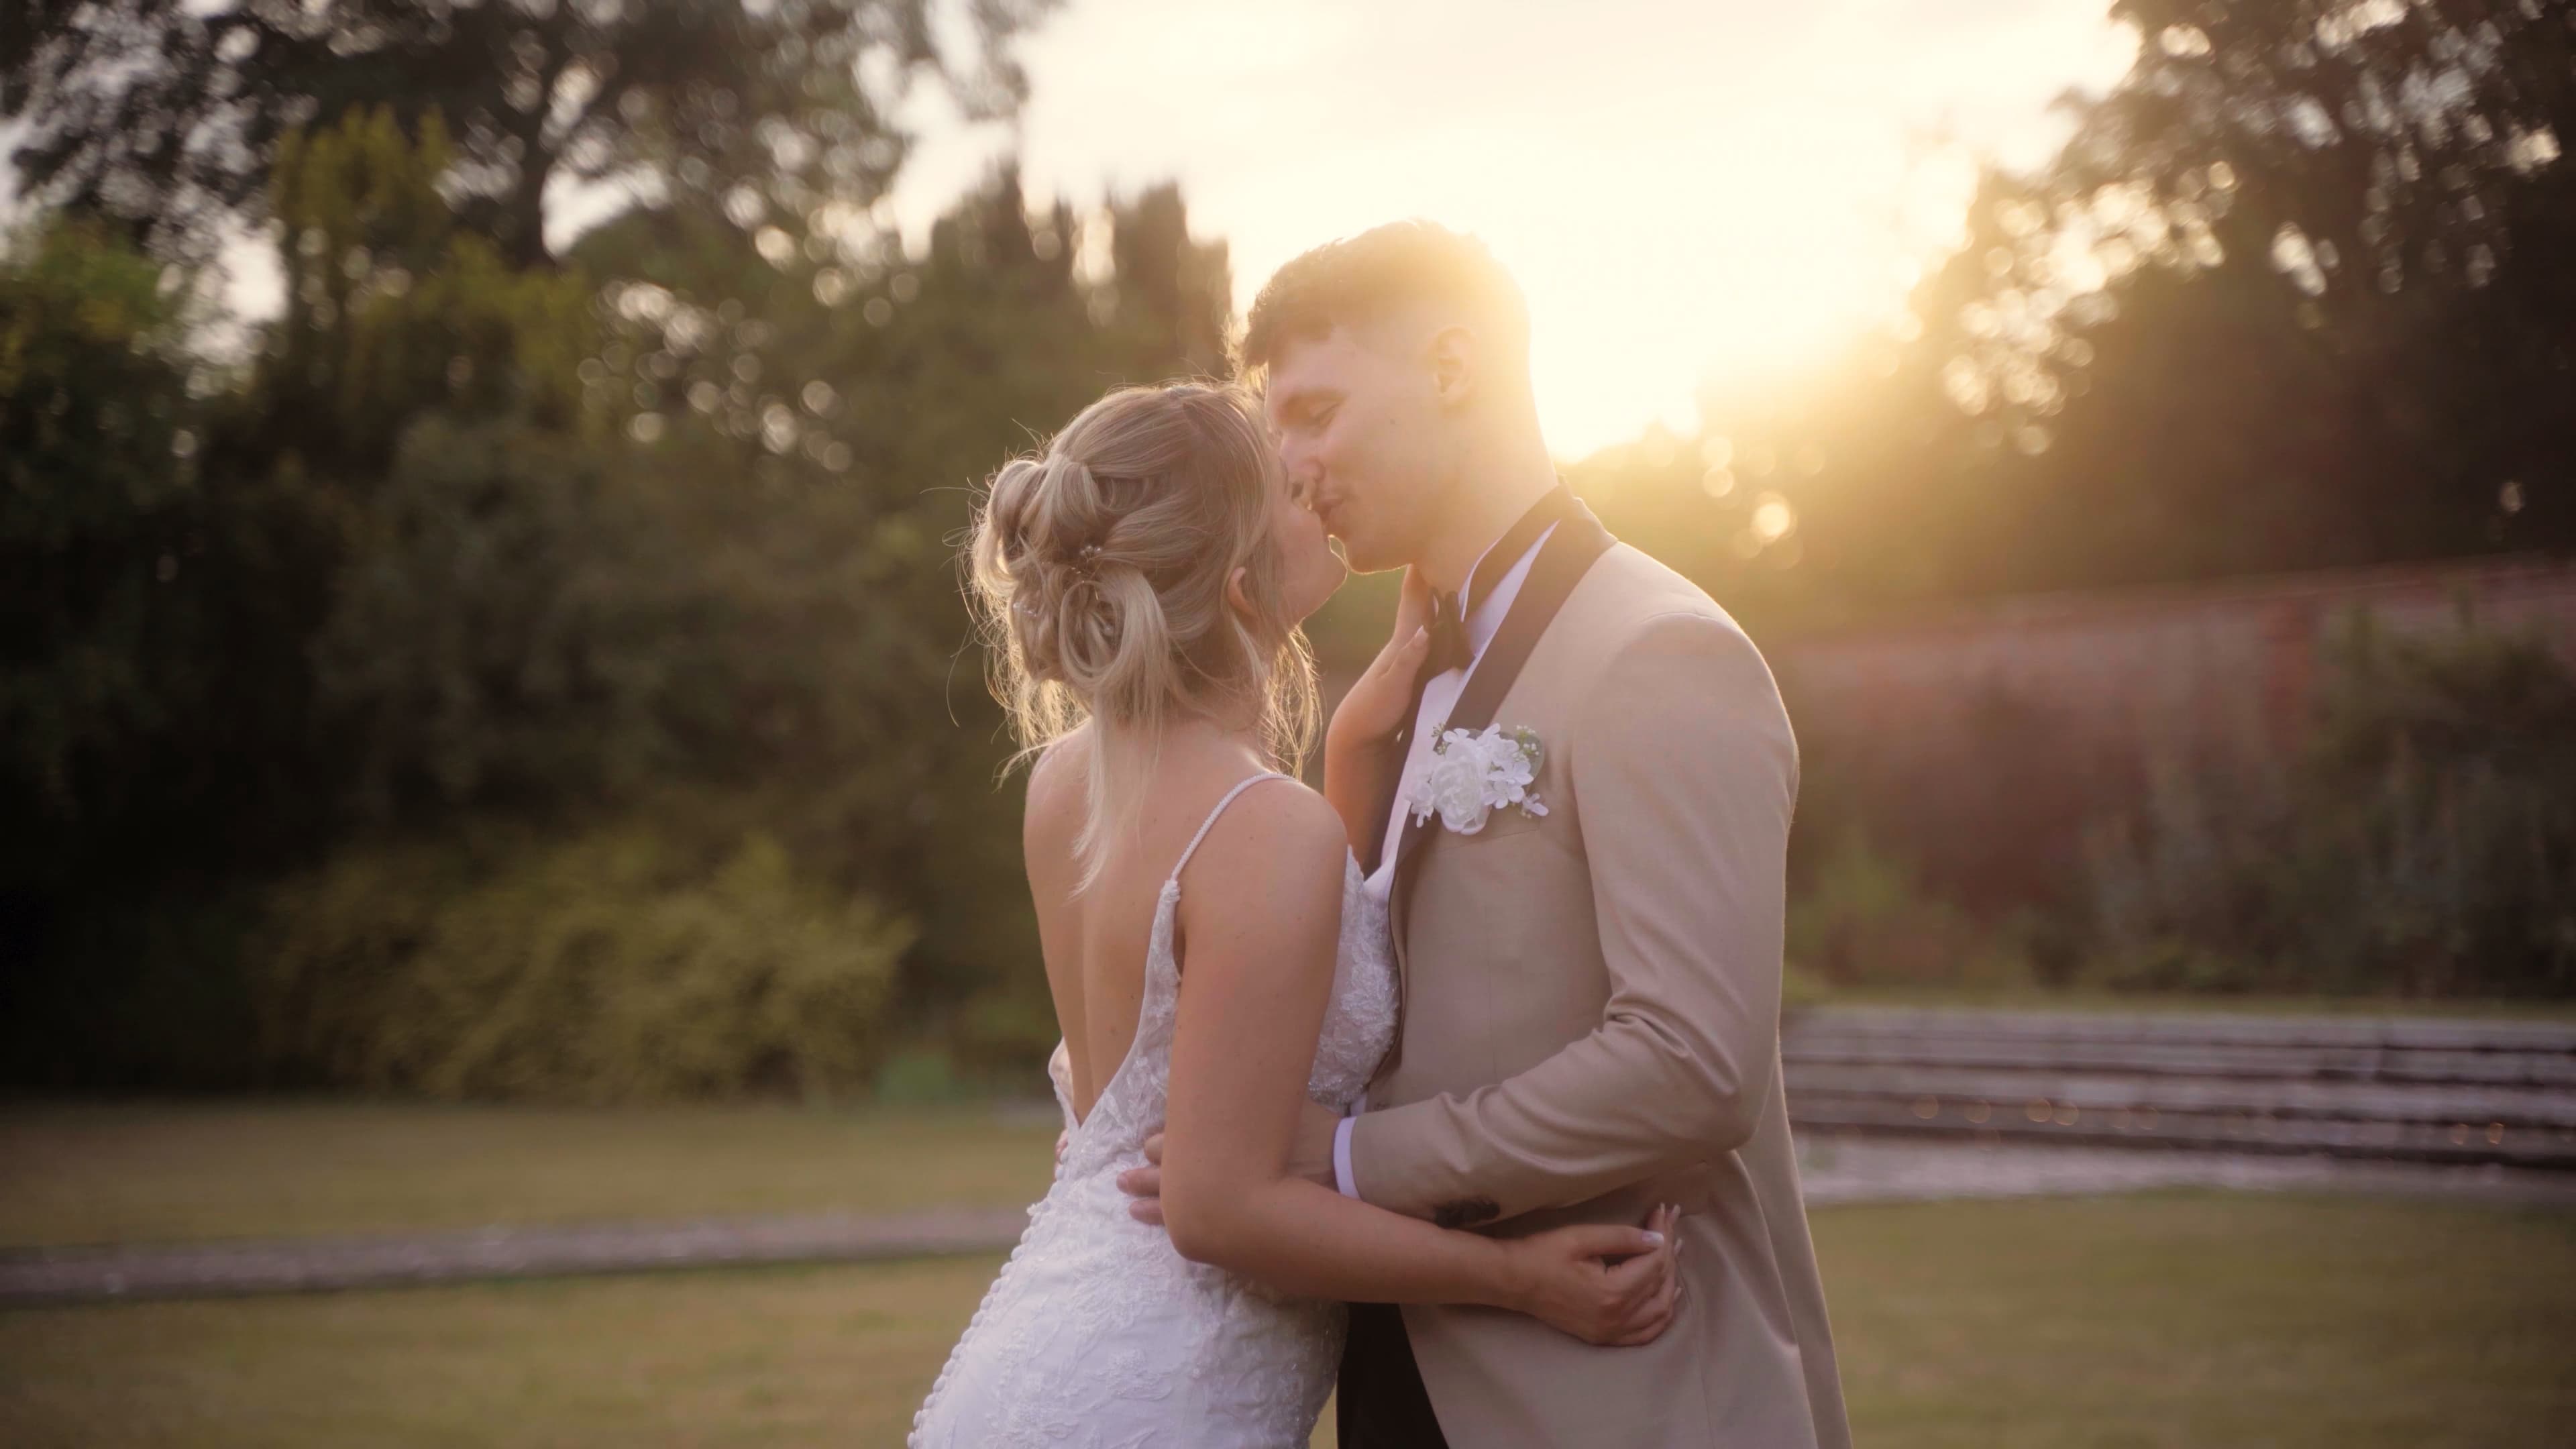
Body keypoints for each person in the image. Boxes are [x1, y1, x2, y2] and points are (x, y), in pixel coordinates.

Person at [1121, 223, 1851, 1448]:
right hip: (1403, 1361)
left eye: (1314, 411)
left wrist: (1350, 1161)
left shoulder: (1658, 654)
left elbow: (1692, 1063)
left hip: (1620, 1383)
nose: (1290, 467)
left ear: (1454, 367)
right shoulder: (1405, 680)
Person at [909, 379, 1681, 1449]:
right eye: (1281, 480)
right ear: (1237, 583)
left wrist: (1351, 756)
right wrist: (1514, 1279)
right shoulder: (1264, 827)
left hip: (1052, 1361)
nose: (1312, 479)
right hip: (1163, 1396)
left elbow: (1123, 1095)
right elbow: (1218, 1211)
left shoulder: (1066, 780)